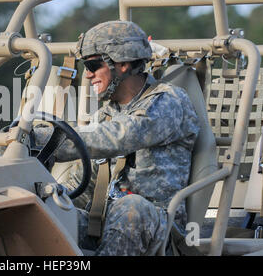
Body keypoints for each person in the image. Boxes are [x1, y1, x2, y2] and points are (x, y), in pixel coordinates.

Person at [33, 21, 200, 256]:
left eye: (93, 65)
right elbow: (84, 182)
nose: (88, 74)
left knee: (131, 208)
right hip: (105, 224)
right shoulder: (106, 115)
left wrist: (46, 141)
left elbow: (120, 136)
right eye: (85, 66)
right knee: (38, 213)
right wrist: (50, 198)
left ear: (122, 64)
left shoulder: (168, 101)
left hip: (156, 227)